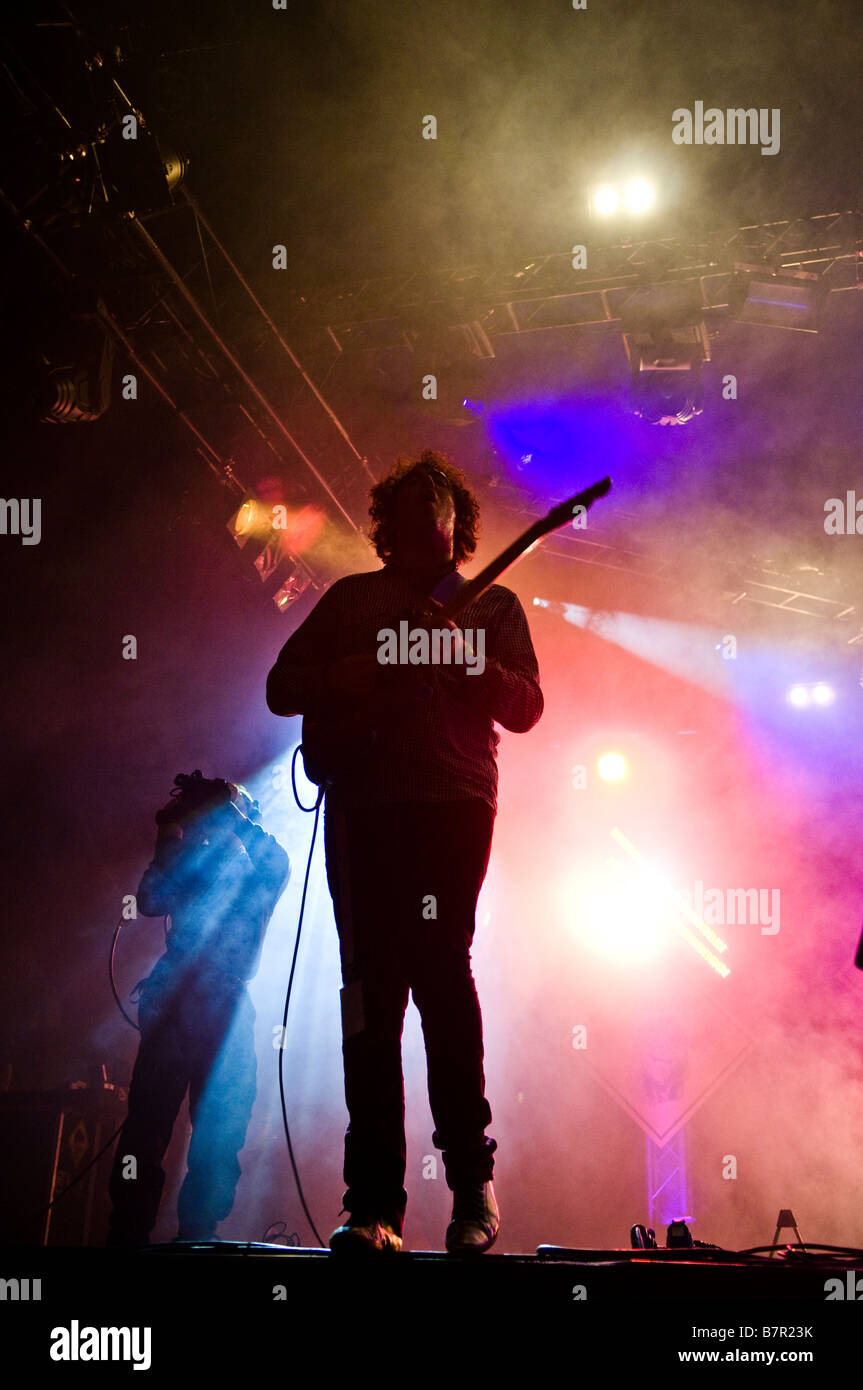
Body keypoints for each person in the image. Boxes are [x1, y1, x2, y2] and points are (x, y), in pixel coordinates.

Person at [265, 450, 543, 1254]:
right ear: (387, 526)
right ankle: (374, 1206)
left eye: (438, 505)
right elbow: (283, 686)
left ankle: (470, 1184)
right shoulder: (352, 600)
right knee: (368, 998)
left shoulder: (490, 605)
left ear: (457, 521)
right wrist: (344, 674)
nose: (426, 518)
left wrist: (469, 664)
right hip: (364, 807)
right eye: (410, 506)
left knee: (441, 977)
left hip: (452, 804)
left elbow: (526, 707)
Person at [107, 771, 290, 1246]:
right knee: (148, 1125)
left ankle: (198, 1231)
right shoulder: (195, 861)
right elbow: (148, 898)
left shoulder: (261, 868)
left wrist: (227, 810)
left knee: (220, 1128)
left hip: (224, 1002)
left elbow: (276, 861)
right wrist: (169, 834)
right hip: (179, 995)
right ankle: (129, 1228)